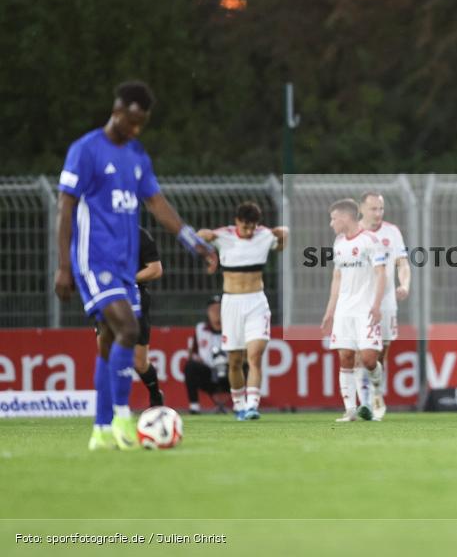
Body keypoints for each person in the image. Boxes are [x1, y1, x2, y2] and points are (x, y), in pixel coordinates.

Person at [54, 80, 217, 451]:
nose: (135, 128)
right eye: (132, 120)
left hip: (125, 266)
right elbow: (65, 206)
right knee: (128, 329)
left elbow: (158, 205)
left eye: (142, 123)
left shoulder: (137, 156)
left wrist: (194, 242)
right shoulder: (86, 150)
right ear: (117, 111)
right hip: (94, 260)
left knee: (110, 344)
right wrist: (63, 266)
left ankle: (99, 431)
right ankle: (122, 419)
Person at [198, 202, 288, 421]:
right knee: (235, 360)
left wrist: (282, 234)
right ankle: (239, 404)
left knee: (255, 356)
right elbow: (198, 236)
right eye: (245, 227)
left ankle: (252, 406)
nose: (249, 232)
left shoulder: (263, 235)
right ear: (237, 221)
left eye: (252, 227)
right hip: (232, 304)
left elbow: (282, 240)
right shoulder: (224, 235)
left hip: (256, 302)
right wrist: (207, 245)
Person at [321, 199, 387, 422]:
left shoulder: (370, 241)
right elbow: (337, 278)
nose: (331, 224)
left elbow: (381, 274)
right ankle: (351, 410)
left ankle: (376, 392)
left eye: (333, 219)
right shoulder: (339, 243)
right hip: (344, 311)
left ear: (345, 217)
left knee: (369, 360)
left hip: (365, 310)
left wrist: (377, 305)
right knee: (346, 357)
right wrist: (330, 311)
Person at [356, 192, 411, 421]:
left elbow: (403, 263)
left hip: (387, 300)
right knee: (364, 355)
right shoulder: (352, 233)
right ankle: (366, 403)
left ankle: (376, 394)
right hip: (360, 302)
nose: (378, 213)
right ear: (361, 209)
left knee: (380, 354)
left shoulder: (392, 232)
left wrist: (404, 285)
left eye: (381, 209)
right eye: (373, 209)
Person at [96, 226, 164, 409]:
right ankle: (113, 408)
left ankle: (155, 394)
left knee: (139, 363)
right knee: (107, 354)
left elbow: (156, 269)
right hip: (107, 296)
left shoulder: (140, 235)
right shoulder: (97, 233)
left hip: (135, 298)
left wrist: (127, 278)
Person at [184, 295, 232, 414]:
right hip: (208, 373)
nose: (216, 313)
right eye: (213, 310)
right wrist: (195, 358)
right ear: (208, 312)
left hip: (230, 373)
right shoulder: (200, 329)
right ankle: (194, 406)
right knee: (190, 366)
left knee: (244, 366)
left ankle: (240, 404)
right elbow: (192, 353)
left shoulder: (233, 328)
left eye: (220, 309)